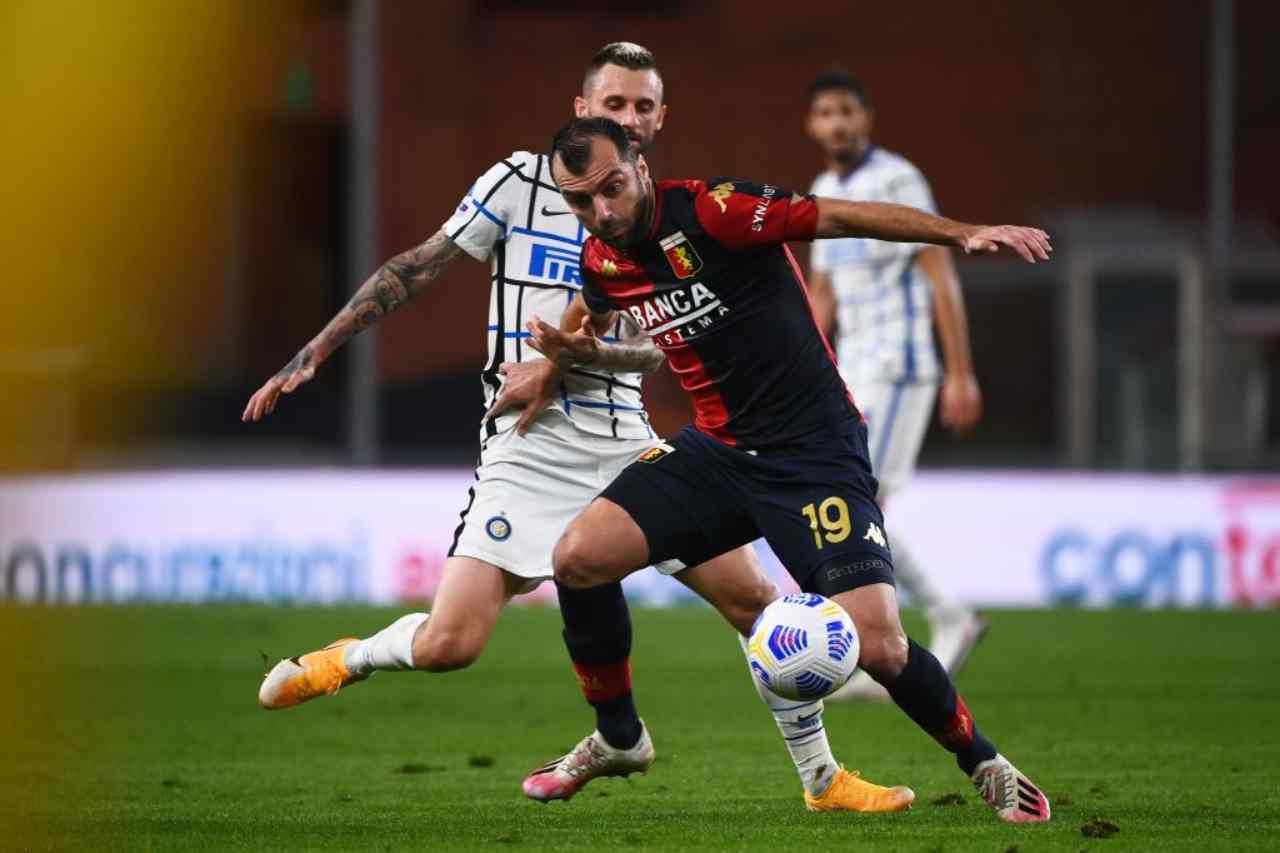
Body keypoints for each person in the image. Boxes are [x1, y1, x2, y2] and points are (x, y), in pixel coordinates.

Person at [246, 43, 907, 814]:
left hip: (622, 435)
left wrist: (575, 356)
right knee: (450, 643)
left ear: (657, 121)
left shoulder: (656, 213)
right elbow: (417, 266)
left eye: (642, 107)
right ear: (581, 107)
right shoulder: (515, 182)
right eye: (614, 103)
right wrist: (316, 351)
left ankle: (821, 779)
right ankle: (348, 658)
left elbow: (654, 355)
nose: (628, 117)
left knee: (754, 600)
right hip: (527, 447)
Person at [525, 115, 1053, 823]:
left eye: (611, 188)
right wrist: (549, 367)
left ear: (640, 164)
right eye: (582, 202)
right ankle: (620, 737)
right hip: (718, 453)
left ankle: (984, 760)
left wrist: (955, 233)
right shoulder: (602, 259)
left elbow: (839, 215)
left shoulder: (716, 211)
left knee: (880, 643)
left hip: (814, 455)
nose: (603, 211)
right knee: (579, 556)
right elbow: (588, 314)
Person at [804, 69, 987, 701]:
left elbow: (941, 273)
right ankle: (929, 622)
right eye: (826, 113)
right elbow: (821, 295)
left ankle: (927, 624)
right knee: (856, 504)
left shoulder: (900, 179)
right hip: (856, 369)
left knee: (860, 504)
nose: (837, 123)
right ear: (812, 125)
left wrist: (959, 371)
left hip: (904, 364)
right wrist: (808, 369)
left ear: (866, 118)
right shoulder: (824, 189)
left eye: (847, 111)